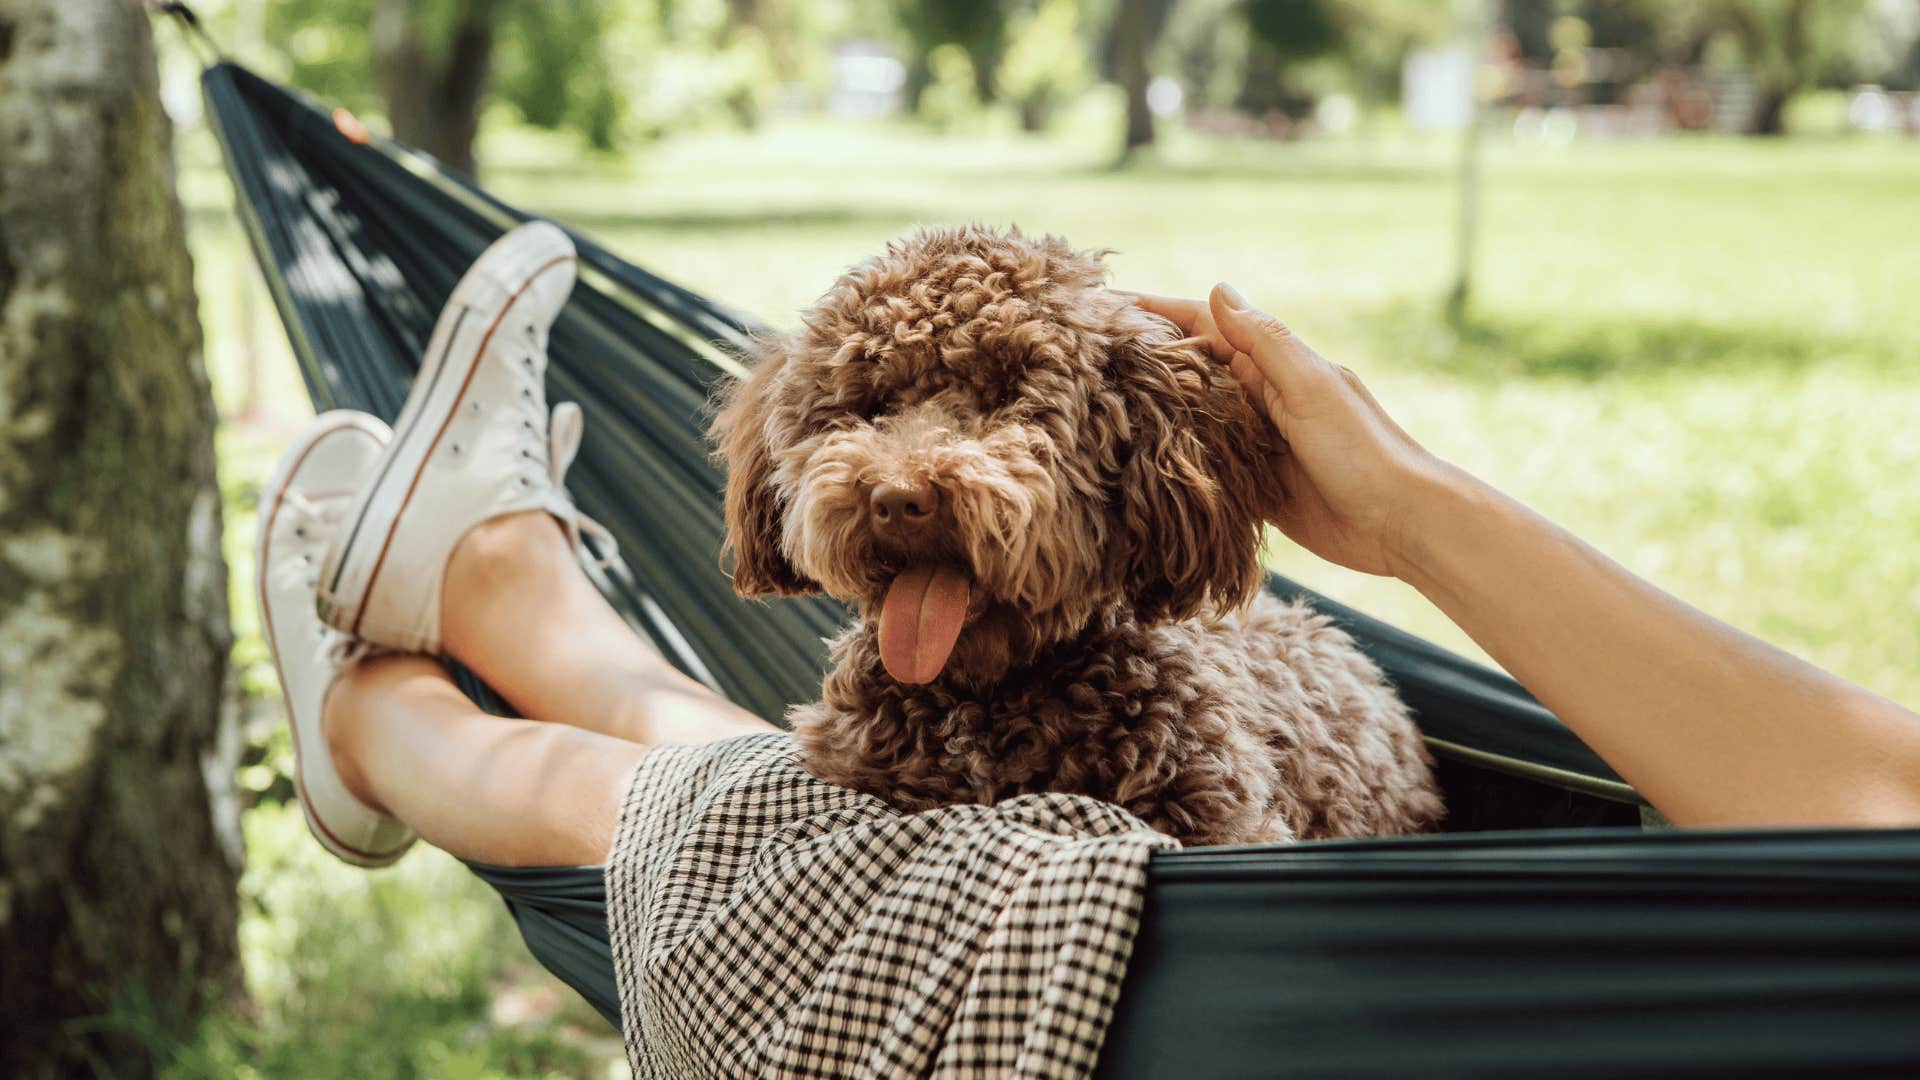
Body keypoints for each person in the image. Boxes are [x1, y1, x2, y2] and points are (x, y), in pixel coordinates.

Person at [257, 240, 1920, 881]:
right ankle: (479, 607)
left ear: (1138, 468)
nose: (903, 469)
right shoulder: (887, 676)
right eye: (865, 409)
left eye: (991, 405)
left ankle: (403, 690)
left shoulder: (1188, 749)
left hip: (1165, 941)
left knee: (729, 827)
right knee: (774, 788)